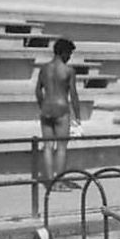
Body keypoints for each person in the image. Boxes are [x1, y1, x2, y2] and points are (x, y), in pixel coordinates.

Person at [36, 38, 82, 188]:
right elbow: (73, 95)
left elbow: (38, 91)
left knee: (48, 146)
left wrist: (42, 105)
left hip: (46, 108)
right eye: (69, 54)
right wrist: (78, 116)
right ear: (63, 52)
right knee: (61, 147)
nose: (69, 57)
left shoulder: (43, 69)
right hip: (62, 108)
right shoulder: (68, 70)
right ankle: (59, 182)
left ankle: (50, 181)